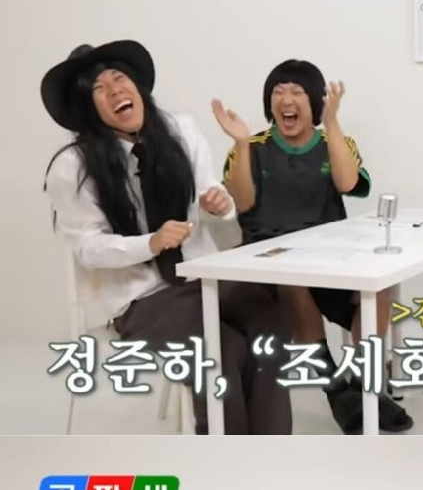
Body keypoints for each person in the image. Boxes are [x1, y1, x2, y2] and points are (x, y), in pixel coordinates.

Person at [43, 40, 292, 434]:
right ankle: (229, 459)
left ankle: (272, 451)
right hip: (143, 297)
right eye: (99, 90)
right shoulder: (72, 166)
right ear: (88, 109)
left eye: (120, 79)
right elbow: (88, 247)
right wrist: (150, 243)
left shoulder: (180, 130)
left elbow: (216, 198)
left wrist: (219, 204)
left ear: (137, 86)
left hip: (203, 275)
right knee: (221, 353)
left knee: (270, 324)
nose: (115, 91)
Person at [214, 59, 411, 434]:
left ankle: (361, 385)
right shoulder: (250, 147)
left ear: (315, 103)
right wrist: (239, 142)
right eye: (278, 92)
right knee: (292, 280)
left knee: (379, 287)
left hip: (330, 257)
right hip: (267, 263)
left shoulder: (335, 142)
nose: (286, 100)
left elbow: (348, 182)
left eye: (297, 92)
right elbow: (242, 202)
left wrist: (331, 122)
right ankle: (335, 388)